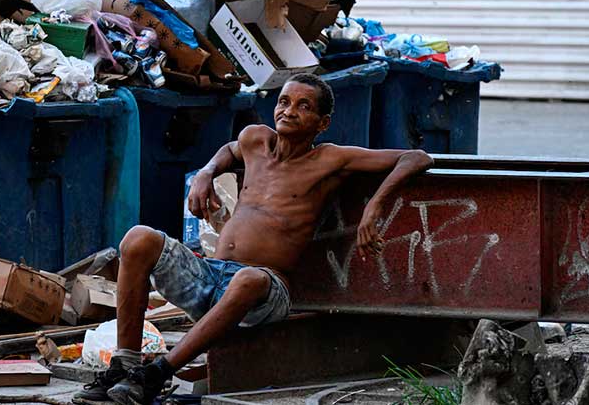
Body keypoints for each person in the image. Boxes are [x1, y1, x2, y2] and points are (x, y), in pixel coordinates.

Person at [73, 73, 433, 405]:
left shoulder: (329, 159)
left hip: (264, 292)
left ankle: (155, 375)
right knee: (139, 238)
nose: (289, 111)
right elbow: (230, 150)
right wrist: (206, 174)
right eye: (284, 102)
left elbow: (415, 157)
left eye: (303, 106)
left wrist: (374, 207)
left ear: (322, 123)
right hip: (210, 277)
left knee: (248, 278)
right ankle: (124, 367)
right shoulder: (255, 139)